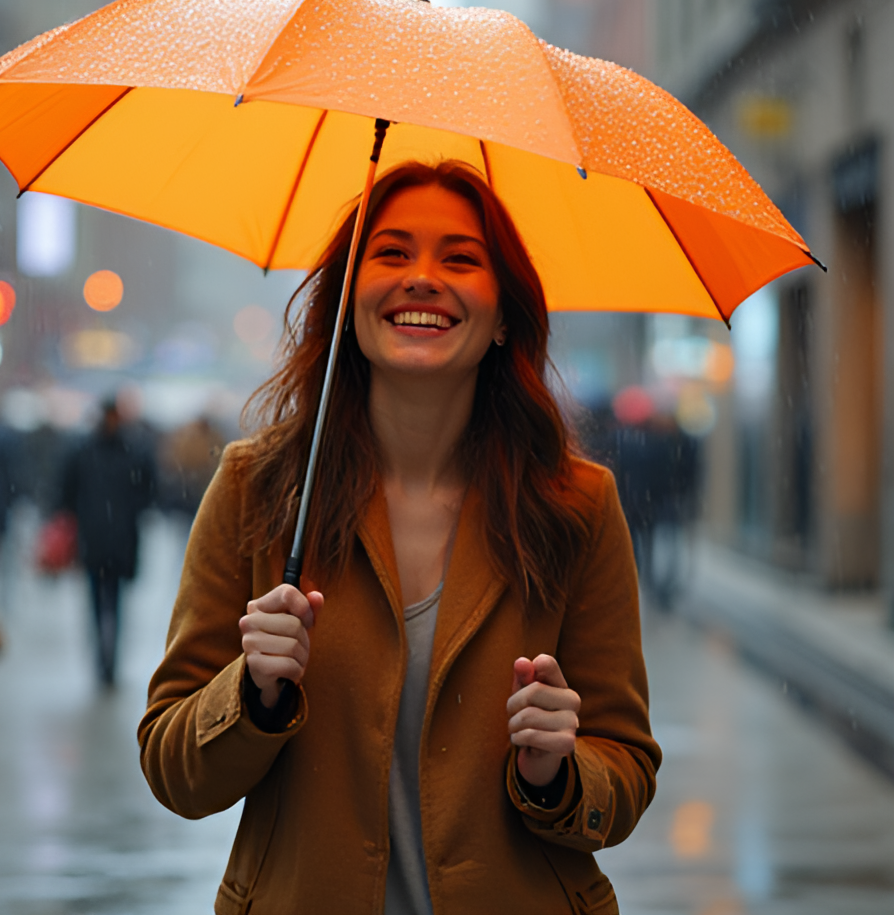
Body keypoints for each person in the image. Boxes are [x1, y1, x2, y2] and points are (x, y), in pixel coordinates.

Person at [139, 161, 661, 914]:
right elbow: (172, 769)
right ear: (348, 300)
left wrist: (560, 771)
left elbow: (627, 770)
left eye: (460, 259)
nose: (422, 278)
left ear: (504, 313)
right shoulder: (258, 488)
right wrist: (251, 695)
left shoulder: (578, 505)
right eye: (390, 253)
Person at [62, 399, 156, 686]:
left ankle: (107, 659)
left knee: (110, 604)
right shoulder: (123, 452)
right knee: (102, 604)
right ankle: (104, 659)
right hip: (103, 540)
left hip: (111, 541)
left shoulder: (91, 451)